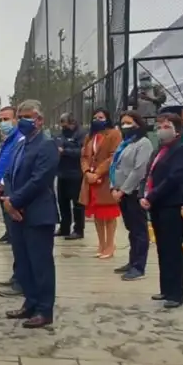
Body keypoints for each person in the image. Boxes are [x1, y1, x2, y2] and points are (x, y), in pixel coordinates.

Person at [2, 99, 59, 329]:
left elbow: (40, 179)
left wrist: (15, 201)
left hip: (37, 214)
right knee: (23, 263)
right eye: (20, 117)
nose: (22, 121)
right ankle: (30, 303)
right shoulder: (20, 144)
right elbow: (9, 173)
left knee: (41, 264)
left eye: (28, 117)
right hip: (17, 214)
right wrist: (8, 199)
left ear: (39, 120)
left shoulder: (47, 145)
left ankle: (44, 310)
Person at [142, 112, 183, 308]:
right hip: (157, 205)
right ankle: (166, 288)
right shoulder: (160, 150)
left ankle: (176, 293)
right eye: (159, 126)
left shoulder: (182, 151)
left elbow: (174, 178)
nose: (161, 130)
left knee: (173, 250)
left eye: (166, 126)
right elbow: (150, 174)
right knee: (162, 248)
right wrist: (145, 195)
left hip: (171, 204)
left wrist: (152, 196)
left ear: (177, 130)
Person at [109, 111, 154, 280]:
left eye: (129, 122)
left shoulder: (144, 143)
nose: (125, 126)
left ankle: (139, 266)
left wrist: (123, 190)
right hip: (121, 191)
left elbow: (139, 170)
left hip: (133, 192)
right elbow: (115, 166)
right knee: (131, 229)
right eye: (123, 123)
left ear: (138, 123)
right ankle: (132, 260)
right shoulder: (126, 143)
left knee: (139, 230)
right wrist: (113, 188)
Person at [79, 108, 122, 259]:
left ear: (107, 119)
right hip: (90, 180)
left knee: (108, 215)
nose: (98, 120)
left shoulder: (114, 134)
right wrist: (87, 172)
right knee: (97, 215)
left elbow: (113, 156)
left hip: (106, 179)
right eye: (95, 117)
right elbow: (84, 157)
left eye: (101, 117)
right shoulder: (89, 136)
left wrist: (98, 172)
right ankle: (101, 244)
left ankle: (110, 245)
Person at [55, 113, 87, 240]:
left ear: (72, 123)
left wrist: (65, 151)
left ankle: (78, 229)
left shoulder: (81, 134)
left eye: (66, 125)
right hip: (62, 173)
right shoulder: (60, 135)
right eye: (62, 125)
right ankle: (64, 227)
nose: (64, 128)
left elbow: (82, 152)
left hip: (76, 174)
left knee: (77, 204)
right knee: (62, 202)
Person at [0, 105, 19, 245]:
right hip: (1, 184)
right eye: (1, 120)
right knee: (5, 211)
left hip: (11, 184)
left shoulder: (19, 139)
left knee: (11, 210)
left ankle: (14, 235)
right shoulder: (5, 140)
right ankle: (9, 233)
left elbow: (12, 165)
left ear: (15, 120)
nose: (3, 123)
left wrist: (1, 185)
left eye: (6, 119)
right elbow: (0, 162)